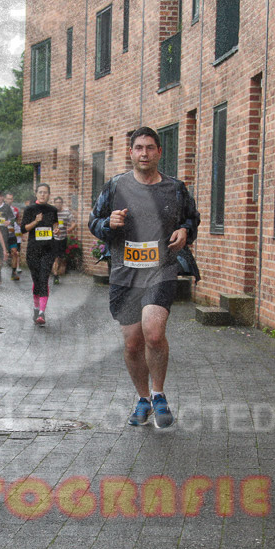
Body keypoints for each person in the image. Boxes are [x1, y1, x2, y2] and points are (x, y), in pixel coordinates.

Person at [88, 126, 200, 428]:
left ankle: (159, 393)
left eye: (150, 148)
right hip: (125, 274)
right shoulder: (114, 187)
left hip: (161, 270)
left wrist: (186, 230)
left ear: (159, 152)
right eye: (139, 148)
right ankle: (143, 400)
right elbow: (94, 222)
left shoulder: (175, 188)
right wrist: (107, 223)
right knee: (133, 344)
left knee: (153, 332)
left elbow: (192, 217)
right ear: (131, 152)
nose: (144, 153)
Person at [21, 183, 59, 326]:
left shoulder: (52, 210)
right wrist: (35, 221)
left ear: (49, 194)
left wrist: (56, 230)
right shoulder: (30, 209)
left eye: (45, 192)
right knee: (36, 280)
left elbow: (55, 225)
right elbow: (23, 229)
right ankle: (36, 308)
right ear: (36, 194)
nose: (43, 194)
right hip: (33, 250)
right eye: (40, 192)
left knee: (44, 279)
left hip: (49, 249)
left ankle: (42, 313)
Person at [0, 190, 15, 283]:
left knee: (1, 254)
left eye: (0, 196)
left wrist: (9, 222)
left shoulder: (7, 207)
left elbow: (13, 219)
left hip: (3, 232)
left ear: (3, 198)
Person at [52, 195, 75, 284]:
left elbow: (73, 224)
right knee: (56, 258)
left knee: (60, 257)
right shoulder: (51, 213)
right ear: (54, 203)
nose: (58, 204)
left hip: (63, 238)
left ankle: (55, 271)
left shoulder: (66, 213)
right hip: (53, 239)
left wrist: (69, 229)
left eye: (59, 203)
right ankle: (55, 275)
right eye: (56, 203)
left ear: (62, 203)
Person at [5, 192, 23, 278]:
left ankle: (13, 272)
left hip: (12, 234)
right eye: (8, 199)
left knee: (15, 253)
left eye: (11, 199)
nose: (9, 200)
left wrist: (20, 231)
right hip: (2, 235)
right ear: (5, 199)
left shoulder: (15, 210)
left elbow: (18, 221)